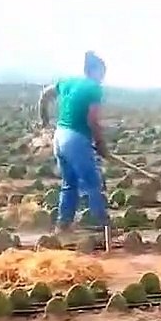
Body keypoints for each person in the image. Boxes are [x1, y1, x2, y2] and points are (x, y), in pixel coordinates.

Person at [38, 51, 109, 234]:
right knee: (92, 182)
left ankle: (63, 225)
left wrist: (44, 118)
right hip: (75, 139)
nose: (103, 77)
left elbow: (45, 94)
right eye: (102, 72)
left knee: (69, 182)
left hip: (60, 137)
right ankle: (103, 226)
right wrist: (101, 144)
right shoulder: (94, 88)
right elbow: (93, 120)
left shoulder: (68, 82)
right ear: (94, 71)